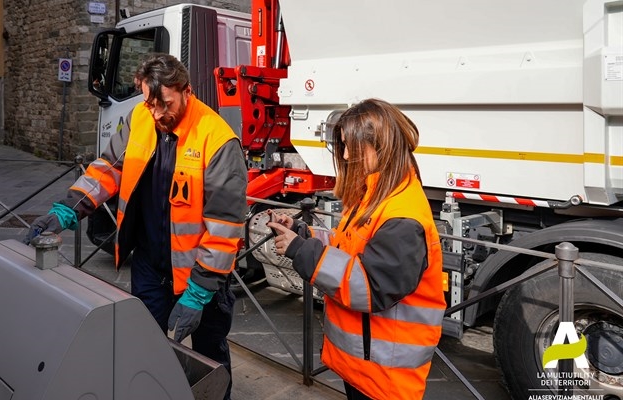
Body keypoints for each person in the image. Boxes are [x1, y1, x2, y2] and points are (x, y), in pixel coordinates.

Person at [27, 53, 247, 400]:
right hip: (149, 267)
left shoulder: (217, 139)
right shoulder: (140, 117)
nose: (158, 113)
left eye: (166, 104)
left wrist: (199, 292)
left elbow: (225, 228)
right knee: (147, 353)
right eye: (150, 102)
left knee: (210, 362)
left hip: (198, 278)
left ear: (187, 90)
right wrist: (67, 210)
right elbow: (108, 169)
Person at [268, 98, 445, 400]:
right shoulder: (376, 197)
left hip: (386, 378)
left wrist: (301, 251)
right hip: (365, 369)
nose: (347, 155)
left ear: (382, 145)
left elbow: (369, 287)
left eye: (353, 146)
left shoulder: (402, 216)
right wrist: (302, 234)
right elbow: (347, 250)